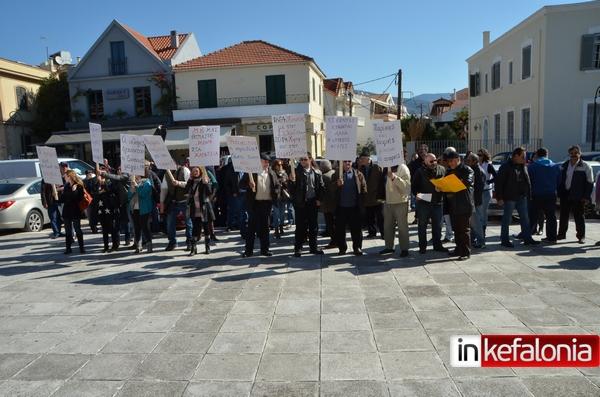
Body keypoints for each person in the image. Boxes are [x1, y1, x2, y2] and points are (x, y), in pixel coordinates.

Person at [495, 147, 539, 248]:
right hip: (510, 197)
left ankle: (527, 238)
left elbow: (527, 181)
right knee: (507, 219)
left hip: (521, 196)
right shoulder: (505, 167)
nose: (525, 158)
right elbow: (499, 183)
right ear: (515, 156)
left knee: (525, 218)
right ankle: (505, 240)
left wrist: (529, 194)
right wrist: (499, 198)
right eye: (523, 156)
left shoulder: (523, 166)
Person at [240, 153, 280, 257]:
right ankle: (248, 251)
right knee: (251, 228)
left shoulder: (271, 172)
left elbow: (277, 186)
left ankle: (265, 250)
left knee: (265, 228)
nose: (267, 163)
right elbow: (240, 184)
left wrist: (275, 194)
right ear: (259, 161)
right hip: (254, 204)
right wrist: (249, 184)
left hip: (266, 204)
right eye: (265, 161)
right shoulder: (251, 172)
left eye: (268, 162)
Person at [289, 154, 325, 257]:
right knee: (300, 227)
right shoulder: (295, 173)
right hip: (301, 203)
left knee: (313, 226)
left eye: (305, 159)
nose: (303, 162)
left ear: (310, 160)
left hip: (313, 202)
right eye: (301, 160)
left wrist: (319, 199)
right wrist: (291, 181)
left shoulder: (317, 172)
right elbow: (291, 190)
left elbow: (321, 187)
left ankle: (313, 248)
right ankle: (298, 248)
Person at [411, 153, 448, 254]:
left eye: (435, 160)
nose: (434, 163)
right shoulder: (420, 171)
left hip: (437, 202)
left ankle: (437, 245)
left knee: (438, 226)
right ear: (425, 162)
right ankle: (422, 247)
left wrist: (442, 188)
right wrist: (417, 194)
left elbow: (446, 184)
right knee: (422, 225)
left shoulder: (442, 169)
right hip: (424, 203)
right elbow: (414, 186)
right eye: (431, 161)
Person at [557, 145, 594, 244]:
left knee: (579, 217)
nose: (574, 155)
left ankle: (581, 236)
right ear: (569, 154)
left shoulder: (586, 166)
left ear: (580, 154)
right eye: (572, 153)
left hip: (579, 196)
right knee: (563, 216)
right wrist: (560, 192)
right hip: (566, 194)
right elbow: (560, 180)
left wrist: (586, 196)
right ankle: (561, 235)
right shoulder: (564, 165)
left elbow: (590, 182)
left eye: (576, 153)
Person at [332, 160, 367, 255]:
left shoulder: (358, 174)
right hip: (341, 207)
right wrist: (336, 184)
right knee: (340, 230)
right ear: (341, 163)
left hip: (354, 207)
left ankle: (357, 247)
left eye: (349, 161)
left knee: (356, 229)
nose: (347, 163)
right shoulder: (336, 174)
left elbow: (364, 189)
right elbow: (330, 189)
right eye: (345, 161)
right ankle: (342, 248)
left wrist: (362, 204)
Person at [443, 150, 473, 261]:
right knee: (456, 229)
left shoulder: (467, 169)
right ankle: (458, 249)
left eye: (451, 161)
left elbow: (468, 182)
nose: (450, 164)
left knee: (464, 229)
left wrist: (458, 181)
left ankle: (465, 252)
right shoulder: (448, 171)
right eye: (448, 162)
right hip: (452, 204)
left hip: (464, 204)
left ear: (458, 159)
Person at [176, 166, 213, 256]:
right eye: (193, 171)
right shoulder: (191, 181)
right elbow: (185, 190)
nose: (195, 172)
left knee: (206, 228)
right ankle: (193, 248)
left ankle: (207, 247)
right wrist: (189, 180)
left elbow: (209, 193)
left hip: (203, 209)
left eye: (196, 171)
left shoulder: (204, 180)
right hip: (194, 209)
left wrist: (206, 183)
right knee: (195, 228)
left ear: (200, 172)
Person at [527, 147, 560, 243]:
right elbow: (559, 181)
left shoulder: (532, 166)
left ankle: (528, 236)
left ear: (537, 155)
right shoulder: (555, 166)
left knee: (532, 216)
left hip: (536, 194)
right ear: (547, 154)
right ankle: (552, 237)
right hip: (550, 194)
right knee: (551, 216)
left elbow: (529, 181)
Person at [379, 164, 411, 257]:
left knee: (402, 227)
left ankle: (404, 248)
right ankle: (389, 247)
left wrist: (394, 177)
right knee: (387, 226)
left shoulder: (403, 168)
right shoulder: (385, 167)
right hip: (387, 202)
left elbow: (406, 186)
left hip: (400, 202)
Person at [162, 162, 192, 251]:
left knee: (188, 223)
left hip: (184, 201)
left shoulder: (185, 170)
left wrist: (178, 183)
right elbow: (164, 189)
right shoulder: (167, 174)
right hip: (173, 202)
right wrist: (162, 203)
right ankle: (172, 242)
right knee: (170, 223)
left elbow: (189, 184)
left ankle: (190, 242)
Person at [102, 166, 132, 247]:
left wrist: (105, 174)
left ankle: (128, 239)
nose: (119, 171)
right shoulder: (118, 179)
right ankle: (118, 242)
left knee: (127, 222)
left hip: (127, 202)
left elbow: (117, 177)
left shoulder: (126, 176)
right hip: (120, 203)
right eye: (118, 169)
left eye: (120, 169)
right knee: (121, 222)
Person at [358, 149, 385, 239]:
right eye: (360, 159)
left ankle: (383, 233)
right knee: (370, 217)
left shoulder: (377, 167)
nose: (361, 160)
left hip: (377, 197)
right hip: (367, 198)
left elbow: (382, 181)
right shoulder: (360, 169)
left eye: (362, 159)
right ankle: (372, 232)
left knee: (380, 217)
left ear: (368, 159)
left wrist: (382, 194)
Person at [61, 170, 86, 254]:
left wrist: (74, 191)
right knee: (67, 231)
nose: (64, 177)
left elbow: (79, 199)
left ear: (70, 176)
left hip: (75, 211)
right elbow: (63, 199)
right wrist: (57, 194)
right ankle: (68, 248)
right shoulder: (66, 186)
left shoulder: (79, 186)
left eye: (65, 176)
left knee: (77, 229)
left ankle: (82, 248)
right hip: (67, 211)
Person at [129, 174, 154, 254]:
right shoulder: (133, 182)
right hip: (135, 208)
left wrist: (137, 186)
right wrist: (132, 188)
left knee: (145, 227)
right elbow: (129, 196)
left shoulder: (147, 182)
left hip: (144, 209)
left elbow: (143, 194)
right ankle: (138, 246)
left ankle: (149, 245)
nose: (135, 176)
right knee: (137, 227)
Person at [95, 172, 119, 252]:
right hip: (101, 210)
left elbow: (111, 191)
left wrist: (104, 184)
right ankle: (106, 246)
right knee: (104, 229)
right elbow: (94, 194)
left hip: (109, 208)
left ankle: (115, 245)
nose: (101, 177)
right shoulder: (97, 184)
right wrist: (98, 184)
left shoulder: (110, 182)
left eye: (102, 175)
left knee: (112, 228)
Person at [465, 153, 486, 248]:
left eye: (469, 161)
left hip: (475, 201)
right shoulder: (474, 170)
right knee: (473, 223)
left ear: (475, 161)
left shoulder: (477, 171)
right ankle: (473, 240)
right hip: (474, 201)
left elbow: (478, 189)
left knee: (476, 223)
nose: (467, 162)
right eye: (467, 160)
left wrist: (472, 201)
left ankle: (481, 242)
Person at [477, 149, 496, 239]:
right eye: (477, 154)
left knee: (483, 213)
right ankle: (478, 232)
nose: (478, 156)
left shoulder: (488, 165)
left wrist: (489, 181)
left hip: (486, 192)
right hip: (478, 192)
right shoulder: (477, 165)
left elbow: (497, 176)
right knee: (477, 213)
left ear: (484, 156)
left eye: (480, 155)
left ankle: (482, 232)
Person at [319, 160, 336, 247]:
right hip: (335, 204)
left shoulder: (324, 177)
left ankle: (334, 241)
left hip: (328, 204)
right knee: (335, 224)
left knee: (330, 224)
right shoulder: (334, 173)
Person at [271, 159, 289, 239]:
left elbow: (288, 184)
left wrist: (285, 182)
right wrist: (279, 182)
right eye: (278, 165)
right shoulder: (272, 173)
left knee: (282, 214)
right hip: (276, 197)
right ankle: (276, 230)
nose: (280, 166)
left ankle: (281, 227)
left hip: (283, 197)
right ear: (275, 166)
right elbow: (271, 184)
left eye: (281, 164)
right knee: (276, 214)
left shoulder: (284, 173)